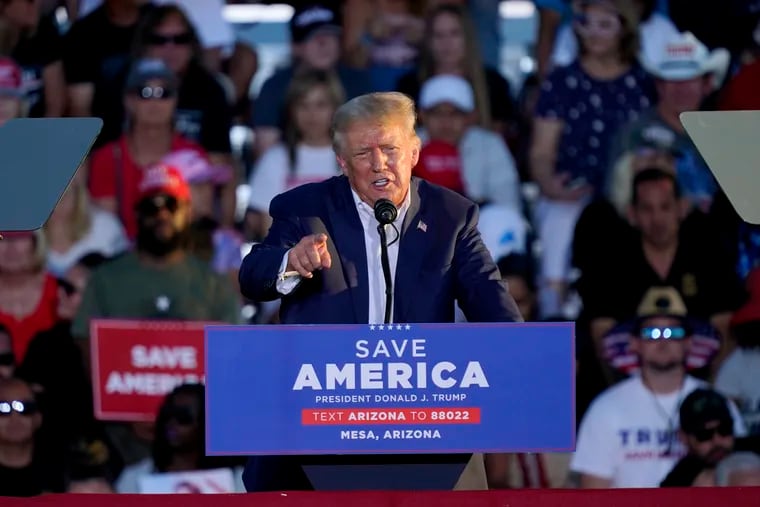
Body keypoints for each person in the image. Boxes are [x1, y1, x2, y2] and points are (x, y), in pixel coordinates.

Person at [238, 91, 521, 491]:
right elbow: (252, 274)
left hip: (421, 418)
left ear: (414, 151)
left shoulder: (451, 216)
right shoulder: (306, 208)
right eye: (362, 154)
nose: (378, 164)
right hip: (322, 415)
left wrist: (523, 354)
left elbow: (492, 303)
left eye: (390, 149)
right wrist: (290, 262)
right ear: (341, 161)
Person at [570, 287, 746, 488]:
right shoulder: (605, 408)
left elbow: (740, 474)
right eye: (651, 332)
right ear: (634, 343)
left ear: (689, 342)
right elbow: (594, 493)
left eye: (674, 331)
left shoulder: (716, 402)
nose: (663, 339)